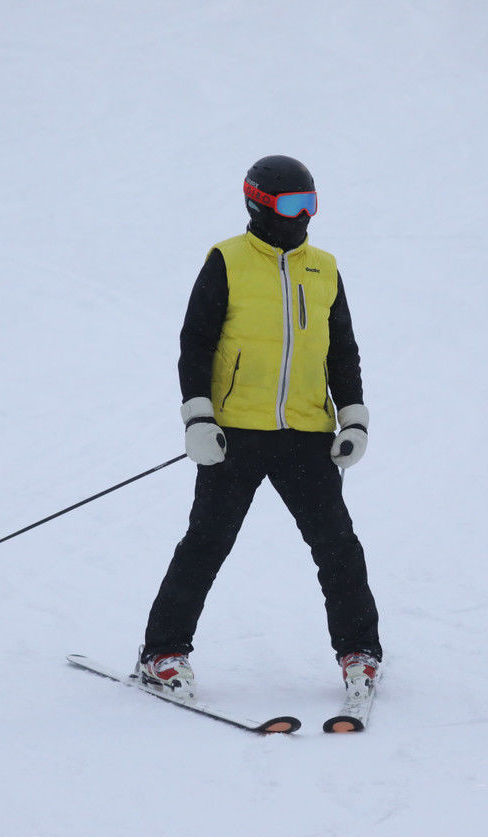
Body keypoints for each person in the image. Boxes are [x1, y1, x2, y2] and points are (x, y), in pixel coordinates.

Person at [136, 155, 382, 703]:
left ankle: (360, 652)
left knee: (337, 547)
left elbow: (342, 350)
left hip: (307, 433)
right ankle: (162, 653)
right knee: (207, 543)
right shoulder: (226, 260)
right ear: (259, 204)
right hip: (235, 435)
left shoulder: (325, 267)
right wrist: (198, 416)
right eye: (294, 206)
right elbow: (194, 342)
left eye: (311, 205)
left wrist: (353, 417)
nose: (304, 217)